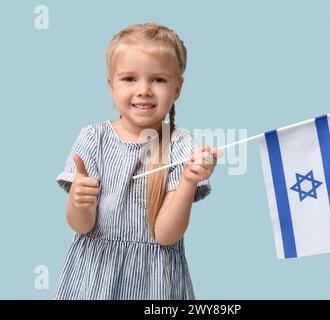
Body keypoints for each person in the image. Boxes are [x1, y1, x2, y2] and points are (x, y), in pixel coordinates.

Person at [54, 22, 222, 300]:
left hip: (155, 283)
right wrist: (78, 201)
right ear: (111, 86)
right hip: (94, 278)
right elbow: (81, 225)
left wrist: (189, 182)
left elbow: (166, 235)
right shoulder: (93, 138)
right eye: (129, 78)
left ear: (177, 88)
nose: (144, 90)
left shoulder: (181, 145)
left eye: (158, 79)